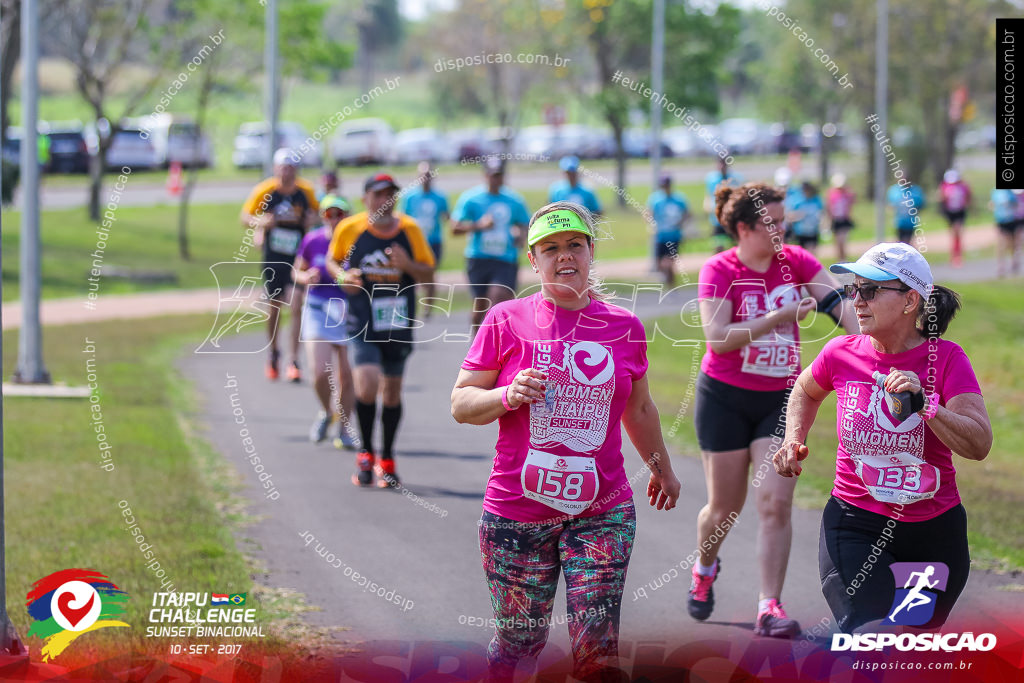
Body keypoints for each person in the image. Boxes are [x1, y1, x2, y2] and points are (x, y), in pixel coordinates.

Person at [451, 201, 681, 682]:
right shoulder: (505, 319)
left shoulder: (625, 327)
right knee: (519, 644)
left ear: (591, 251)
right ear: (533, 260)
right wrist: (507, 394)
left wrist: (660, 467)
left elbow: (638, 409)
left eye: (575, 244)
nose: (565, 256)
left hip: (603, 510)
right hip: (518, 512)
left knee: (598, 651)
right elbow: (462, 403)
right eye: (550, 248)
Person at [775, 242, 992, 633]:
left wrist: (928, 407)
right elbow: (805, 390)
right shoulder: (840, 352)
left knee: (908, 647)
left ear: (910, 301)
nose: (856, 300)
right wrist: (793, 437)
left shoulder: (947, 359)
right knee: (871, 631)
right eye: (853, 289)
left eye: (871, 290)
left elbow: (979, 444)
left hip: (933, 533)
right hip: (855, 522)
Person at [690, 182, 857, 638]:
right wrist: (778, 318)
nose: (784, 231)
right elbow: (718, 337)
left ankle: (769, 606)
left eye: (785, 222)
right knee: (724, 507)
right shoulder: (719, 269)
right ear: (744, 228)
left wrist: (871, 344)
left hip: (782, 398)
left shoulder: (797, 262)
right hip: (724, 396)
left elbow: (841, 305)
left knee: (774, 503)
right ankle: (705, 567)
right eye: (774, 224)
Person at [326, 173, 436, 488]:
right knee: (367, 384)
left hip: (398, 323)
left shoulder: (410, 230)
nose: (385, 202)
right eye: (379, 195)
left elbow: (428, 272)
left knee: (391, 392)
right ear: (365, 198)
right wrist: (343, 278)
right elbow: (333, 262)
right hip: (362, 320)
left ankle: (386, 457)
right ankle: (364, 452)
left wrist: (407, 265)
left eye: (391, 195)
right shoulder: (350, 229)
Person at [240, 147, 319, 382]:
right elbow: (244, 217)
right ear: (276, 169)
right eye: (283, 168)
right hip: (274, 256)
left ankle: (294, 361)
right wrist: (261, 222)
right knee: (274, 306)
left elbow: (317, 213)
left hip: (298, 257)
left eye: (291, 168)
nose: (287, 173)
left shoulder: (305, 191)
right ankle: (273, 353)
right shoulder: (265, 191)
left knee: (296, 305)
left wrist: (311, 219)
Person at [293, 195, 358, 449]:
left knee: (347, 374)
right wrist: (305, 276)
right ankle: (325, 411)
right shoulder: (313, 239)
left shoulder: (356, 241)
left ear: (347, 216)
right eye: (329, 214)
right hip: (318, 309)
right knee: (319, 372)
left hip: (349, 311)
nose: (334, 220)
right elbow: (296, 270)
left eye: (339, 214)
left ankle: (343, 428)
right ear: (322, 217)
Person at [452, 156, 531, 336]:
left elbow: (525, 224)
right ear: (484, 175)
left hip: (505, 259)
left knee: (499, 297)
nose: (496, 179)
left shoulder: (514, 200)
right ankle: (477, 340)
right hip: (478, 258)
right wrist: (478, 225)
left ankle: (497, 342)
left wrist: (519, 234)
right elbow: (454, 228)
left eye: (499, 175)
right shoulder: (471, 199)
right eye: (492, 175)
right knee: (480, 305)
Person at [402, 161, 449, 318]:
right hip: (415, 242)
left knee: (429, 274)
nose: (425, 178)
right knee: (413, 273)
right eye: (423, 175)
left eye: (428, 175)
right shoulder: (410, 197)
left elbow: (446, 217)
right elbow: (403, 218)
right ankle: (412, 304)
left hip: (434, 241)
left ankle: (428, 306)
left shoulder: (440, 197)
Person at [646, 174, 689, 286]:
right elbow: (648, 213)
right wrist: (652, 223)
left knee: (669, 263)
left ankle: (671, 286)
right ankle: (667, 281)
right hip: (660, 235)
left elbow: (687, 214)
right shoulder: (656, 199)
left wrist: (680, 223)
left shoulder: (679, 199)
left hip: (674, 236)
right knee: (660, 263)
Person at [704, 157, 743, 253]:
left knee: (736, 246)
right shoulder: (711, 179)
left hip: (732, 217)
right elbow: (709, 195)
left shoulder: (736, 178)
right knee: (718, 246)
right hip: (717, 219)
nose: (722, 167)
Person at [937, 170, 971, 267]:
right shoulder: (944, 186)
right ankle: (954, 255)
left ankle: (958, 256)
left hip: (960, 212)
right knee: (953, 234)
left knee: (957, 232)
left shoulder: (963, 187)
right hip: (949, 212)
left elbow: (969, 196)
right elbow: (940, 198)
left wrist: (968, 206)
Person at [786, 181, 824, 254]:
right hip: (800, 232)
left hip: (813, 231)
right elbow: (789, 216)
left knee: (812, 253)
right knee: (802, 254)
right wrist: (799, 215)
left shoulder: (816, 200)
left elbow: (822, 213)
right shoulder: (797, 200)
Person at [992, 188, 1023, 277]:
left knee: (1013, 244)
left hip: (1013, 220)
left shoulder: (1014, 193)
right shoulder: (996, 192)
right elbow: (993, 204)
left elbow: (1018, 205)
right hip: (1001, 221)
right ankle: (1001, 266)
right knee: (1001, 244)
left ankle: (1014, 261)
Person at [826, 173, 856, 262]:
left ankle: (843, 258)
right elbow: (829, 207)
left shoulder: (847, 194)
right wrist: (829, 220)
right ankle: (840, 258)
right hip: (836, 220)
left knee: (843, 240)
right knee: (838, 242)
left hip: (844, 219)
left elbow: (852, 202)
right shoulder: (831, 194)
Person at [886, 179, 925, 245]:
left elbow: (921, 205)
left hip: (910, 223)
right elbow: (890, 205)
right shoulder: (894, 191)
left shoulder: (915, 191)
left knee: (907, 244)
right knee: (899, 243)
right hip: (899, 222)